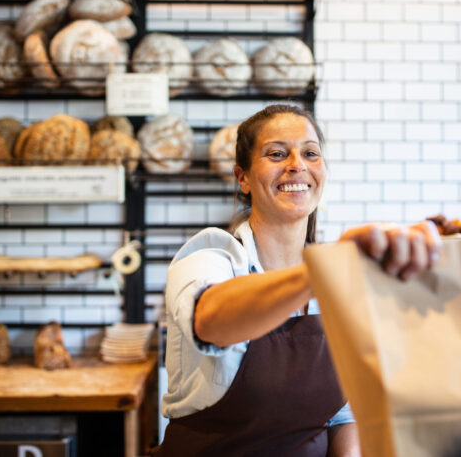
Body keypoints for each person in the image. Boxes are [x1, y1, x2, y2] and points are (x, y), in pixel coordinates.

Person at [155, 104, 441, 457]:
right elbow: (210, 321)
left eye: (310, 153)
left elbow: (341, 415)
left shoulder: (336, 281)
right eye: (276, 153)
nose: (297, 164)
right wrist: (320, 270)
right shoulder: (211, 256)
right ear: (242, 178)